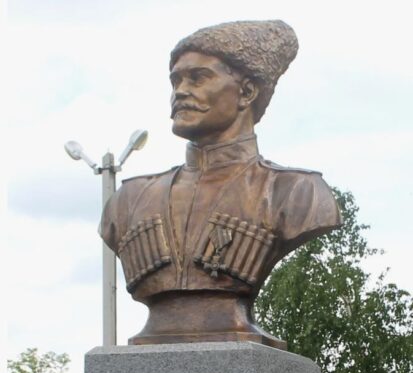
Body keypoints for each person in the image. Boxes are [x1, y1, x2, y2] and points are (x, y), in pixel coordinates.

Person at [100, 20, 342, 347]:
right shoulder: (129, 200)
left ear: (247, 92)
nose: (181, 91)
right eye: (176, 80)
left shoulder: (295, 192)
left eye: (198, 77)